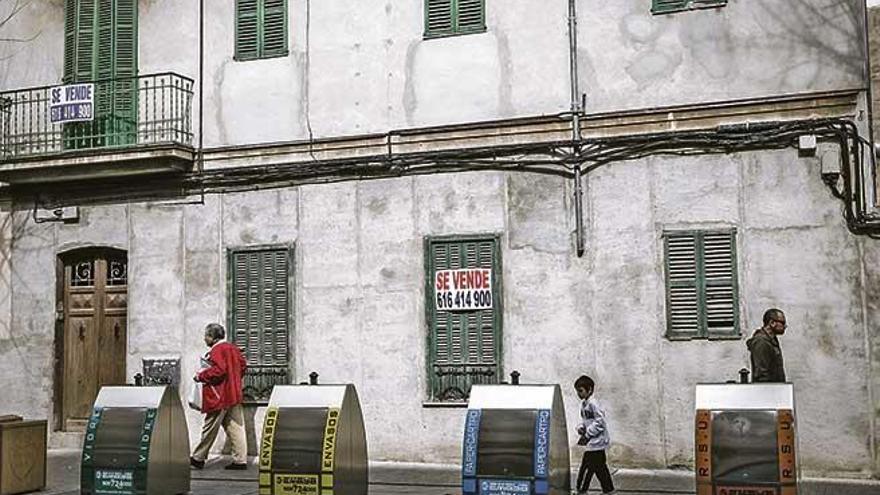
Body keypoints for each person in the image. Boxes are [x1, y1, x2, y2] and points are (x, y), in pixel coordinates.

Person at [190, 323, 249, 470]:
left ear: (212, 336)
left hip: (220, 395)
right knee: (236, 428)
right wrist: (234, 379)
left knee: (209, 427)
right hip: (234, 394)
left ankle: (198, 458)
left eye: (206, 336)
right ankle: (240, 460)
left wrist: (201, 375)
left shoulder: (216, 350)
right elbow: (243, 366)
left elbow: (219, 370)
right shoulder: (233, 349)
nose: (204, 339)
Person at [574, 375, 615, 495]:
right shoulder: (584, 404)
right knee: (600, 468)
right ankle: (609, 490)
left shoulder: (594, 404)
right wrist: (581, 428)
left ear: (590, 389)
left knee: (586, 467)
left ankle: (581, 490)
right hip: (593, 442)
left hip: (596, 442)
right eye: (577, 391)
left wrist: (588, 433)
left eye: (581, 391)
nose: (579, 394)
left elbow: (600, 422)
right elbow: (586, 421)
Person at [746, 308, 787, 383]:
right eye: (782, 323)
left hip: (775, 389)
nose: (785, 326)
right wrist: (768, 391)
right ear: (772, 323)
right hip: (768, 390)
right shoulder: (761, 342)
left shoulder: (772, 340)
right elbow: (761, 374)